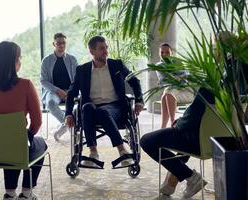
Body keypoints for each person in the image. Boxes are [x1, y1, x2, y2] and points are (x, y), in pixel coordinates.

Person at [0, 41, 47, 200]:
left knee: (9, 144)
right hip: (17, 148)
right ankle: (27, 193)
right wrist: (28, 135)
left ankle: (9, 193)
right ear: (13, 61)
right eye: (19, 58)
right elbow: (37, 122)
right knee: (38, 143)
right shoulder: (26, 85)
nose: (20, 61)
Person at [65, 36, 144, 167]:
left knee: (102, 111)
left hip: (116, 108)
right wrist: (68, 113)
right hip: (91, 110)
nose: (106, 51)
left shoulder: (116, 65)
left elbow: (135, 81)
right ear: (92, 52)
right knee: (87, 107)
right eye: (102, 49)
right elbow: (71, 93)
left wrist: (139, 101)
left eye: (106, 48)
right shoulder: (82, 70)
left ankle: (122, 151)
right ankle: (93, 153)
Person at [140, 87, 213, 198]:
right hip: (220, 144)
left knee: (146, 141)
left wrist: (178, 122)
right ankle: (172, 180)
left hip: (196, 143)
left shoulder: (207, 90)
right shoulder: (233, 90)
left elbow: (190, 119)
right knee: (185, 136)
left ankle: (191, 177)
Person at [40, 33, 78, 141]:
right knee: (50, 103)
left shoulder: (72, 59)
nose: (61, 45)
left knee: (81, 102)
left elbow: (77, 79)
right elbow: (43, 81)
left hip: (70, 91)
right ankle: (68, 124)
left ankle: (66, 126)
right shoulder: (46, 61)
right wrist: (58, 90)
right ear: (54, 44)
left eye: (63, 43)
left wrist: (69, 92)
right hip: (53, 92)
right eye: (58, 43)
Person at [156, 43, 194, 128]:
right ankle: (172, 123)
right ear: (159, 53)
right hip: (171, 90)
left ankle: (164, 127)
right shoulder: (159, 66)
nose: (164, 54)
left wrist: (173, 78)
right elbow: (167, 80)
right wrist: (178, 77)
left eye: (167, 52)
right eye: (162, 52)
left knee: (166, 94)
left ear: (171, 52)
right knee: (168, 93)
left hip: (184, 90)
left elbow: (186, 77)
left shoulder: (178, 62)